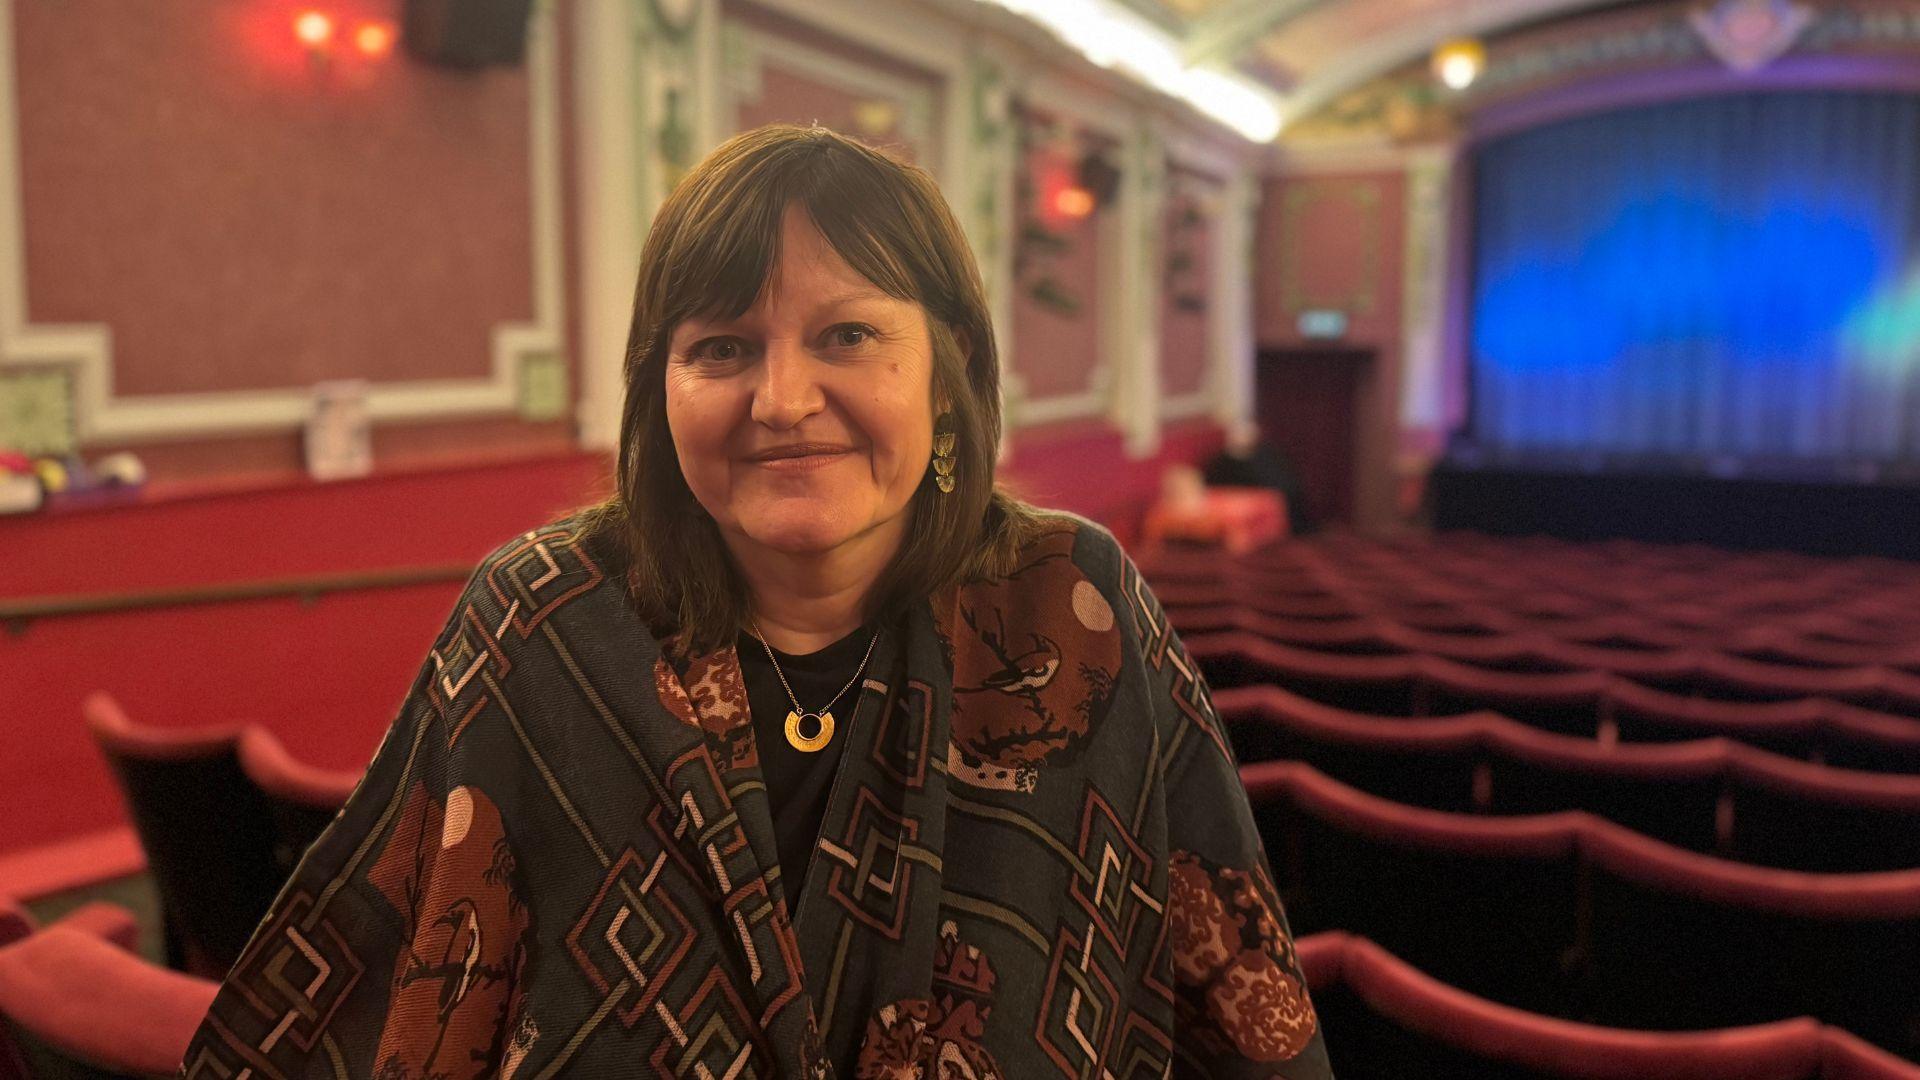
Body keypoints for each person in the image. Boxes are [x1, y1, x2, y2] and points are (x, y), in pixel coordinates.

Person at [178, 124, 1333, 1079]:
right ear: (658, 391)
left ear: (949, 378)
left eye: (848, 335)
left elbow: (1235, 1004)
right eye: (722, 348)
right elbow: (406, 996)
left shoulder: (1066, 604)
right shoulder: (541, 617)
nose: (782, 398)